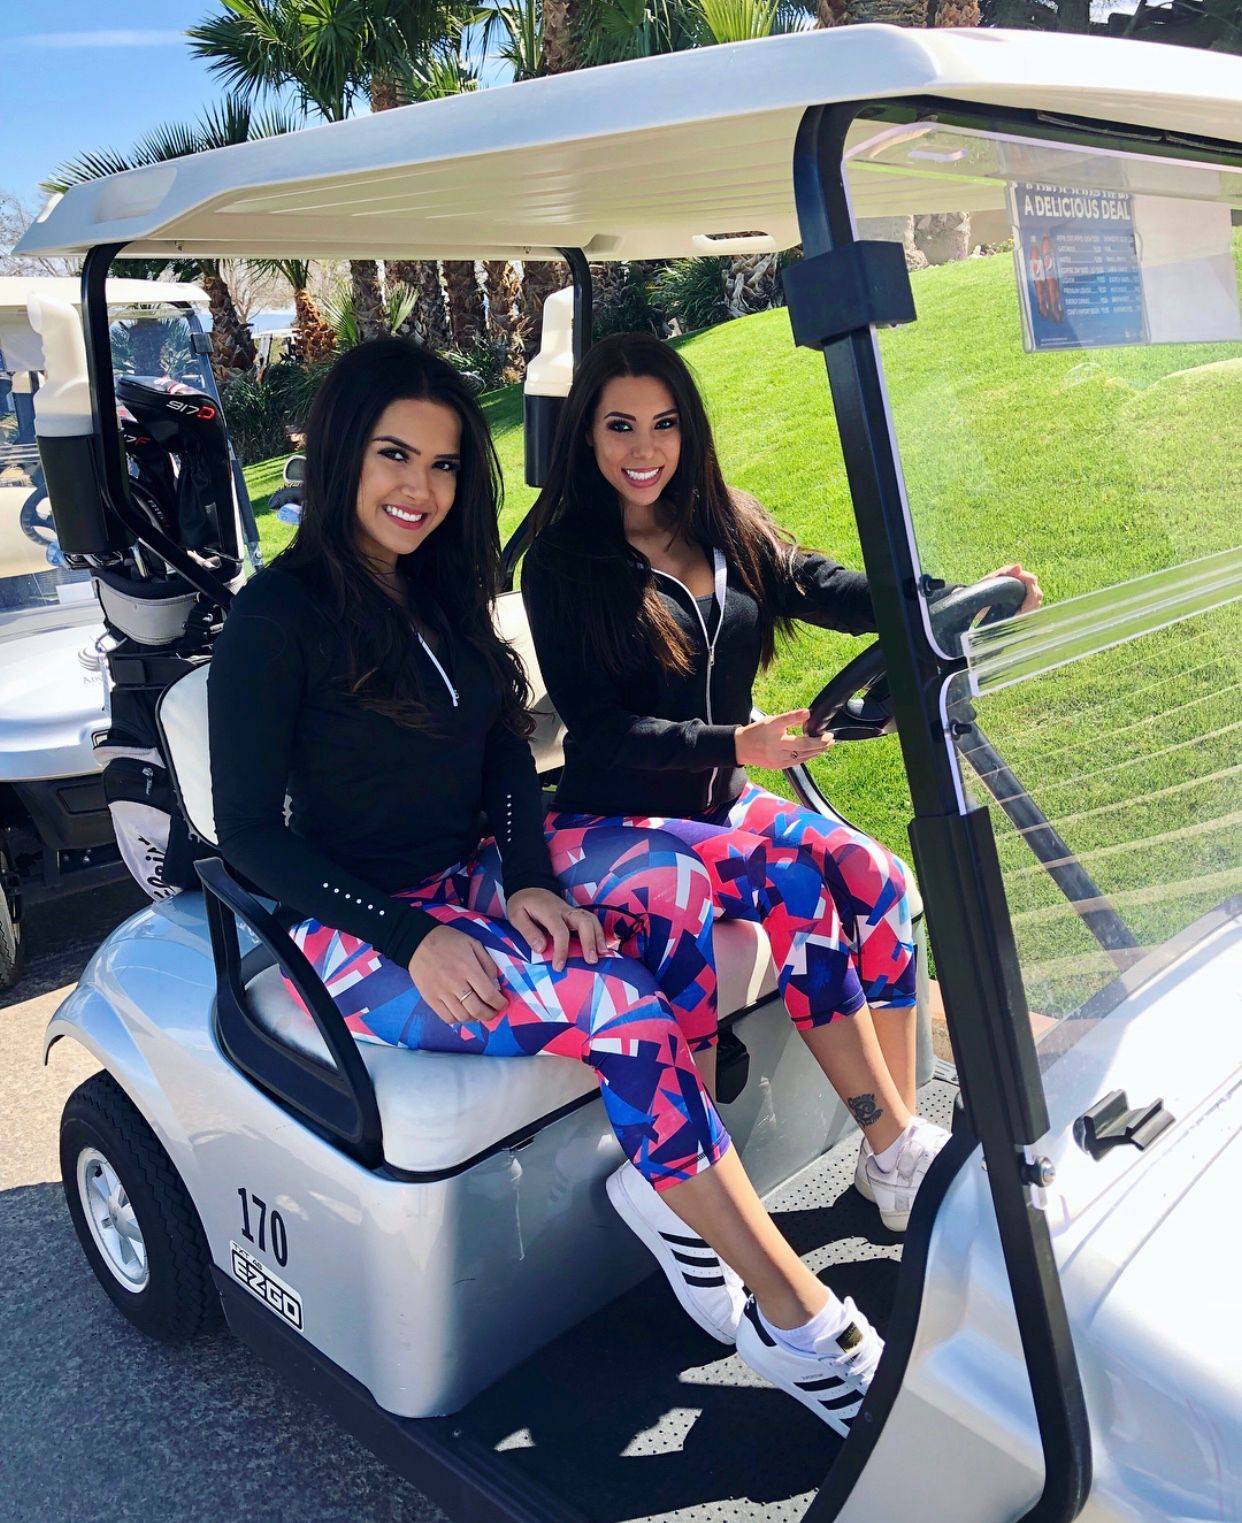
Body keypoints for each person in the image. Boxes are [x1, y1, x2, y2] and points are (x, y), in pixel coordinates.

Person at [209, 337, 887, 1434]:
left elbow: (501, 756)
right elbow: (246, 836)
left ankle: (675, 1174)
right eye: (394, 456)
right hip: (357, 921)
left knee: (670, 876)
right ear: (342, 455)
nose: (419, 488)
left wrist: (524, 876)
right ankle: (795, 1318)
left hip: (472, 875)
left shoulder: (435, 593)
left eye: (443, 466)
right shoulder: (276, 617)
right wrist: (409, 937)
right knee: (622, 1009)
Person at [522, 332, 1043, 1244]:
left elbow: (825, 584)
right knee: (797, 887)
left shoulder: (725, 521)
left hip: (722, 797)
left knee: (875, 875)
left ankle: (893, 1153)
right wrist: (739, 740)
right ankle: (899, 1146)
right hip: (620, 813)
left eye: (665, 424)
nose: (644, 449)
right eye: (619, 427)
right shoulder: (565, 565)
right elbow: (598, 730)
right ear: (586, 438)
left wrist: (952, 596)